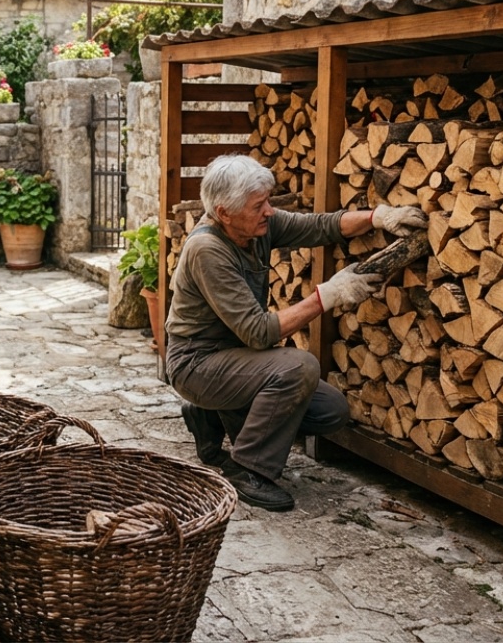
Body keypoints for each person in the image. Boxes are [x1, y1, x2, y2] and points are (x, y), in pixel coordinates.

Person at [164, 154, 427, 511]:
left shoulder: (253, 226)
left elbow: (320, 226)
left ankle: (209, 414)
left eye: (267, 201)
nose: (269, 211)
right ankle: (248, 469)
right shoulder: (207, 250)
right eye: (258, 205)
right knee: (298, 367)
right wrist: (329, 294)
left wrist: (378, 217)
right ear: (224, 212)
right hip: (198, 364)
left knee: (330, 411)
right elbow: (259, 332)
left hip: (237, 357)